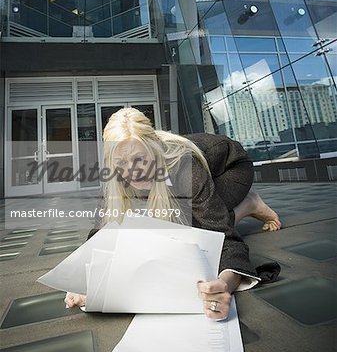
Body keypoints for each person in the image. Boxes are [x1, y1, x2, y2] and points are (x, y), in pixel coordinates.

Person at [65, 108, 281, 319]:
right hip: (198, 176)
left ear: (155, 148)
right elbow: (100, 233)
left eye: (140, 159)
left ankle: (249, 203)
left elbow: (225, 238)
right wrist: (86, 280)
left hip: (232, 169)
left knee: (197, 227)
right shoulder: (113, 174)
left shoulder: (185, 168)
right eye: (122, 163)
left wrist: (225, 284)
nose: (133, 172)